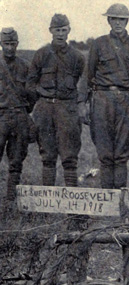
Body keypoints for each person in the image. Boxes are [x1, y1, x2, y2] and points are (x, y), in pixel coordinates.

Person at [86, 3, 129, 189]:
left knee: (121, 154)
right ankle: (106, 200)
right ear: (109, 20)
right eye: (114, 19)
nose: (118, 23)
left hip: (127, 101)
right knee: (104, 152)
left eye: (121, 19)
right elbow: (88, 74)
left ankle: (119, 199)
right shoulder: (99, 44)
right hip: (102, 99)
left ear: (127, 21)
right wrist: (84, 103)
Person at [26, 14, 85, 187]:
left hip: (67, 109)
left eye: (64, 30)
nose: (60, 34)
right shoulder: (41, 54)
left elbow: (85, 84)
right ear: (51, 31)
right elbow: (30, 83)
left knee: (69, 157)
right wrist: (40, 92)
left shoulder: (77, 57)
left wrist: (80, 104)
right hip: (45, 109)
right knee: (47, 156)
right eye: (57, 30)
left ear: (69, 31)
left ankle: (72, 202)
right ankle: (47, 202)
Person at [0, 28, 34, 211]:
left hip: (20, 116)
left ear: (17, 44)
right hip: (0, 116)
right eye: (6, 44)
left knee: (16, 160)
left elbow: (32, 94)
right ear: (1, 44)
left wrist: (26, 111)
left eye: (13, 44)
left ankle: (10, 200)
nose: (10, 48)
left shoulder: (25, 66)